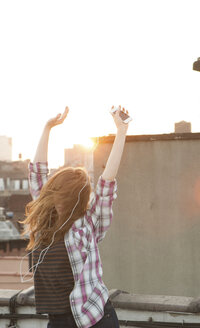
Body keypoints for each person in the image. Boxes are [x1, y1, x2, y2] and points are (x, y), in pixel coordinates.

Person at [21, 105, 129, 328]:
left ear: (74, 199)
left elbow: (107, 182)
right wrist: (47, 128)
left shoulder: (88, 223)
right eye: (55, 194)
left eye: (64, 197)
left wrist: (121, 132)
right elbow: (37, 173)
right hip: (58, 321)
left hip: (95, 320)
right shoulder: (45, 219)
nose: (58, 201)